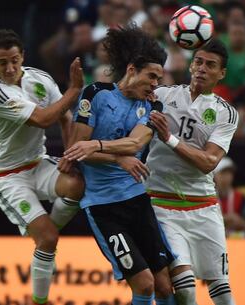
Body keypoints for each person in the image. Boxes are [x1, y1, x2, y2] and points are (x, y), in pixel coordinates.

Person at [61, 25, 175, 305]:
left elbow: (135, 144)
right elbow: (77, 149)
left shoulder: (152, 107)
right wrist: (117, 157)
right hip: (103, 207)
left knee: (164, 285)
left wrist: (99, 146)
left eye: (159, 79)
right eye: (151, 76)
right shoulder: (95, 94)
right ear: (132, 68)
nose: (154, 85)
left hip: (137, 200)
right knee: (145, 283)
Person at [0, 29, 84, 305]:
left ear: (23, 56)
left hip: (37, 163)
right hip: (7, 177)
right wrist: (74, 90)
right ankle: (39, 301)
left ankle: (45, 240)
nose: (10, 67)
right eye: (2, 62)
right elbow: (42, 119)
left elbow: (64, 117)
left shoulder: (40, 79)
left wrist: (69, 155)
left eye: (14, 60)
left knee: (77, 184)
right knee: (50, 239)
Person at [145, 39, 238, 305]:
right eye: (198, 61)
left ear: (222, 73)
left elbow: (209, 161)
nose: (202, 69)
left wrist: (169, 138)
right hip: (162, 206)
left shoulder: (225, 113)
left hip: (203, 206)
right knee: (185, 288)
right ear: (190, 65)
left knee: (223, 293)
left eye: (211, 65)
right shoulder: (162, 96)